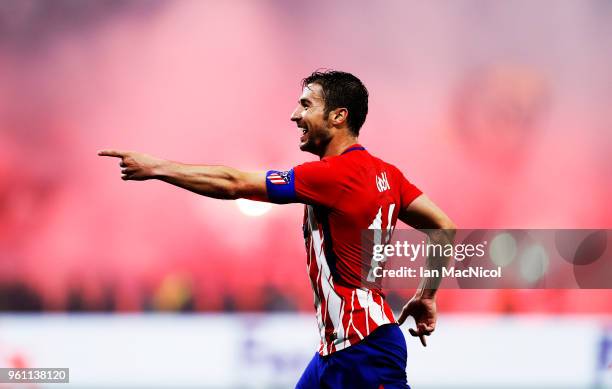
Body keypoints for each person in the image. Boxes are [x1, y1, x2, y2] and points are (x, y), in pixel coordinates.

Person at [99, 70, 456, 389]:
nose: (295, 115)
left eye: (306, 105)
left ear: (337, 116)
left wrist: (158, 167)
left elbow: (234, 183)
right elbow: (444, 226)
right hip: (342, 350)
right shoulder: (388, 175)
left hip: (364, 350)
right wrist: (427, 294)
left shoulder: (332, 175)